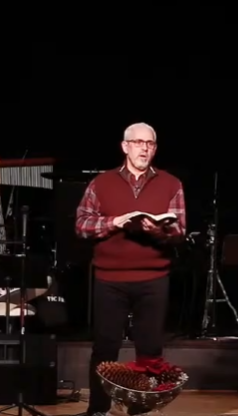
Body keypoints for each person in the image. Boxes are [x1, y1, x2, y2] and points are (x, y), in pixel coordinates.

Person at [75, 122, 186, 416]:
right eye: (138, 142)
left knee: (150, 350)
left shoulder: (171, 183)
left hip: (153, 278)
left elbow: (180, 232)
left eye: (149, 144)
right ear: (125, 147)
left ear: (155, 149)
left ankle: (142, 409)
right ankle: (98, 410)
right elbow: (82, 225)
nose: (144, 149)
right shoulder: (101, 183)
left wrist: (158, 231)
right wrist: (114, 222)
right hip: (109, 278)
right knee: (105, 348)